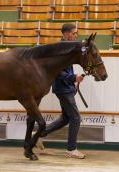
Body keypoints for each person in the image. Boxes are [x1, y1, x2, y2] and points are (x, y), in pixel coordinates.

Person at [36, 23, 85, 159]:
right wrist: (73, 78)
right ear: (66, 34)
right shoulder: (59, 49)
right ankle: (71, 149)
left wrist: (73, 80)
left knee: (65, 118)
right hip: (63, 88)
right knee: (75, 118)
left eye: (76, 33)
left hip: (66, 87)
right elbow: (57, 71)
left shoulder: (68, 47)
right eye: (74, 33)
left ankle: (40, 135)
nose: (76, 36)